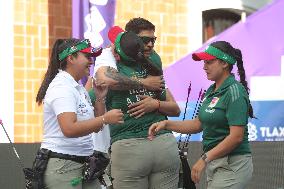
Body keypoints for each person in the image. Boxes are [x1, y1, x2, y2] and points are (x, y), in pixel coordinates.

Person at [149, 41, 254, 189]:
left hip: (232, 164)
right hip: (216, 163)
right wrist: (167, 124)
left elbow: (236, 137)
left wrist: (204, 159)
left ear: (224, 63)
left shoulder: (234, 91)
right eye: (204, 62)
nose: (204, 67)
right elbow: (198, 124)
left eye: (209, 62)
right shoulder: (212, 90)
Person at [96, 24, 181, 188]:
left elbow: (175, 109)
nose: (149, 45)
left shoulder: (152, 61)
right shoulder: (110, 61)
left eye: (153, 40)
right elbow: (103, 80)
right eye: (144, 40)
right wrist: (144, 83)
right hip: (139, 145)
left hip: (151, 144)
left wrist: (155, 104)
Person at [35, 38, 124, 189]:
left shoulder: (78, 87)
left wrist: (100, 98)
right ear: (71, 58)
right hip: (63, 165)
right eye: (87, 57)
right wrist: (105, 118)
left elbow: (95, 127)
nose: (91, 62)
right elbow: (69, 129)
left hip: (84, 162)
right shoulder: (61, 87)